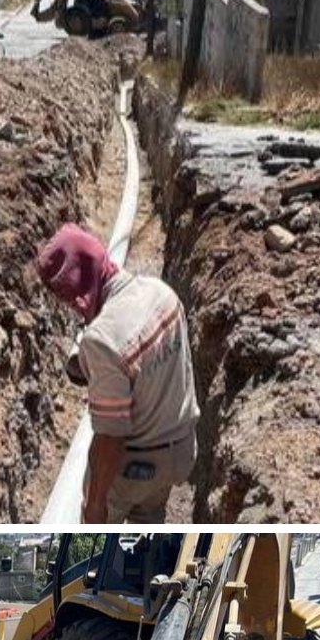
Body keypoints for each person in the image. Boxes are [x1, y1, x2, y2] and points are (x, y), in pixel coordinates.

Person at [37, 223, 201, 523]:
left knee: (98, 552)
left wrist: (94, 503)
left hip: (135, 469)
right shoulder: (161, 292)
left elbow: (111, 437)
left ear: (76, 293)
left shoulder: (102, 340)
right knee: (145, 536)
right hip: (180, 451)